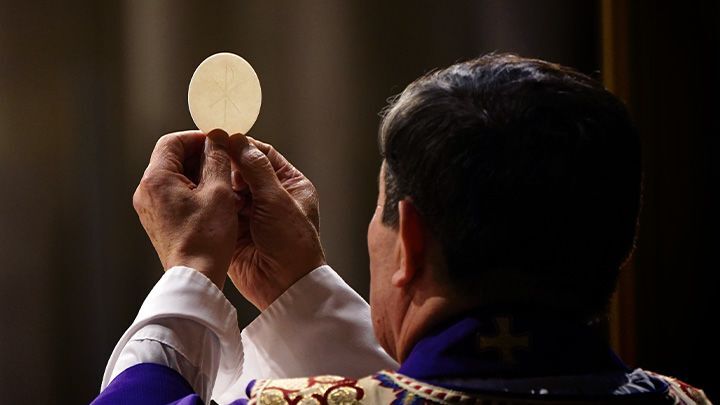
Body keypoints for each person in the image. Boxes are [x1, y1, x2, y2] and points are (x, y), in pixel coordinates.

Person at [91, 54, 710, 404]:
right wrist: (298, 290)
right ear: (623, 244)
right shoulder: (685, 401)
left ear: (408, 238)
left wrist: (190, 274)